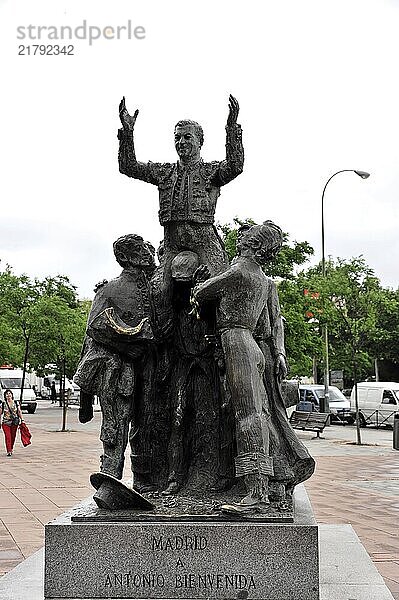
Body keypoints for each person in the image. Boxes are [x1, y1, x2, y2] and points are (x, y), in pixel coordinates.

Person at [193, 221, 315, 513]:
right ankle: (271, 480)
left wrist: (198, 282)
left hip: (237, 341)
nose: (241, 236)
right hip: (249, 346)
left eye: (246, 235)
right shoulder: (260, 277)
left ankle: (257, 492)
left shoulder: (238, 272)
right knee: (257, 414)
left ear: (254, 245)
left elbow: (201, 294)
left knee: (248, 416)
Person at [117, 95, 244, 286]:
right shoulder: (164, 172)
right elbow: (129, 167)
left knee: (220, 288)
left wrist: (232, 127)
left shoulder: (211, 171)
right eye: (177, 137)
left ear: (200, 141)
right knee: (158, 292)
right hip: (171, 244)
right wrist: (127, 134)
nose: (181, 142)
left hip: (204, 243)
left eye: (187, 137)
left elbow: (235, 166)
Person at [74, 234, 158, 491]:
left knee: (147, 421)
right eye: (140, 249)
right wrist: (127, 346)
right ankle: (109, 476)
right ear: (126, 258)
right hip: (118, 367)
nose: (147, 251)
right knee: (116, 421)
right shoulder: (110, 290)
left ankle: (143, 478)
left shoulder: (153, 286)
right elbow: (95, 327)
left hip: (150, 367)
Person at [0, 389, 24, 456]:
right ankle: (9, 450)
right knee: (8, 436)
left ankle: (11, 448)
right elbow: (0, 413)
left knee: (13, 436)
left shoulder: (16, 403)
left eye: (9, 393)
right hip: (5, 423)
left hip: (14, 422)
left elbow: (19, 412)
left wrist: (22, 420)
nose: (8, 395)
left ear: (12, 395)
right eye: (7, 394)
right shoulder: (3, 404)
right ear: (5, 396)